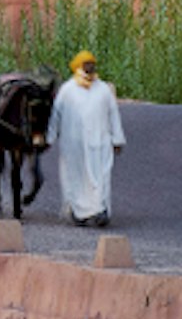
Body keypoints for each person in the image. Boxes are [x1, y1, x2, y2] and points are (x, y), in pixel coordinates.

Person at [49, 51, 126, 228]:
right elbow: (56, 115)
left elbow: (113, 114)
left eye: (92, 63)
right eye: (86, 64)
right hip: (73, 144)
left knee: (101, 176)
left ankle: (101, 210)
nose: (90, 67)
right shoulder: (67, 90)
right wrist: (50, 137)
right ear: (78, 66)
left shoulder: (103, 89)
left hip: (100, 143)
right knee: (76, 177)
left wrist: (117, 139)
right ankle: (79, 212)